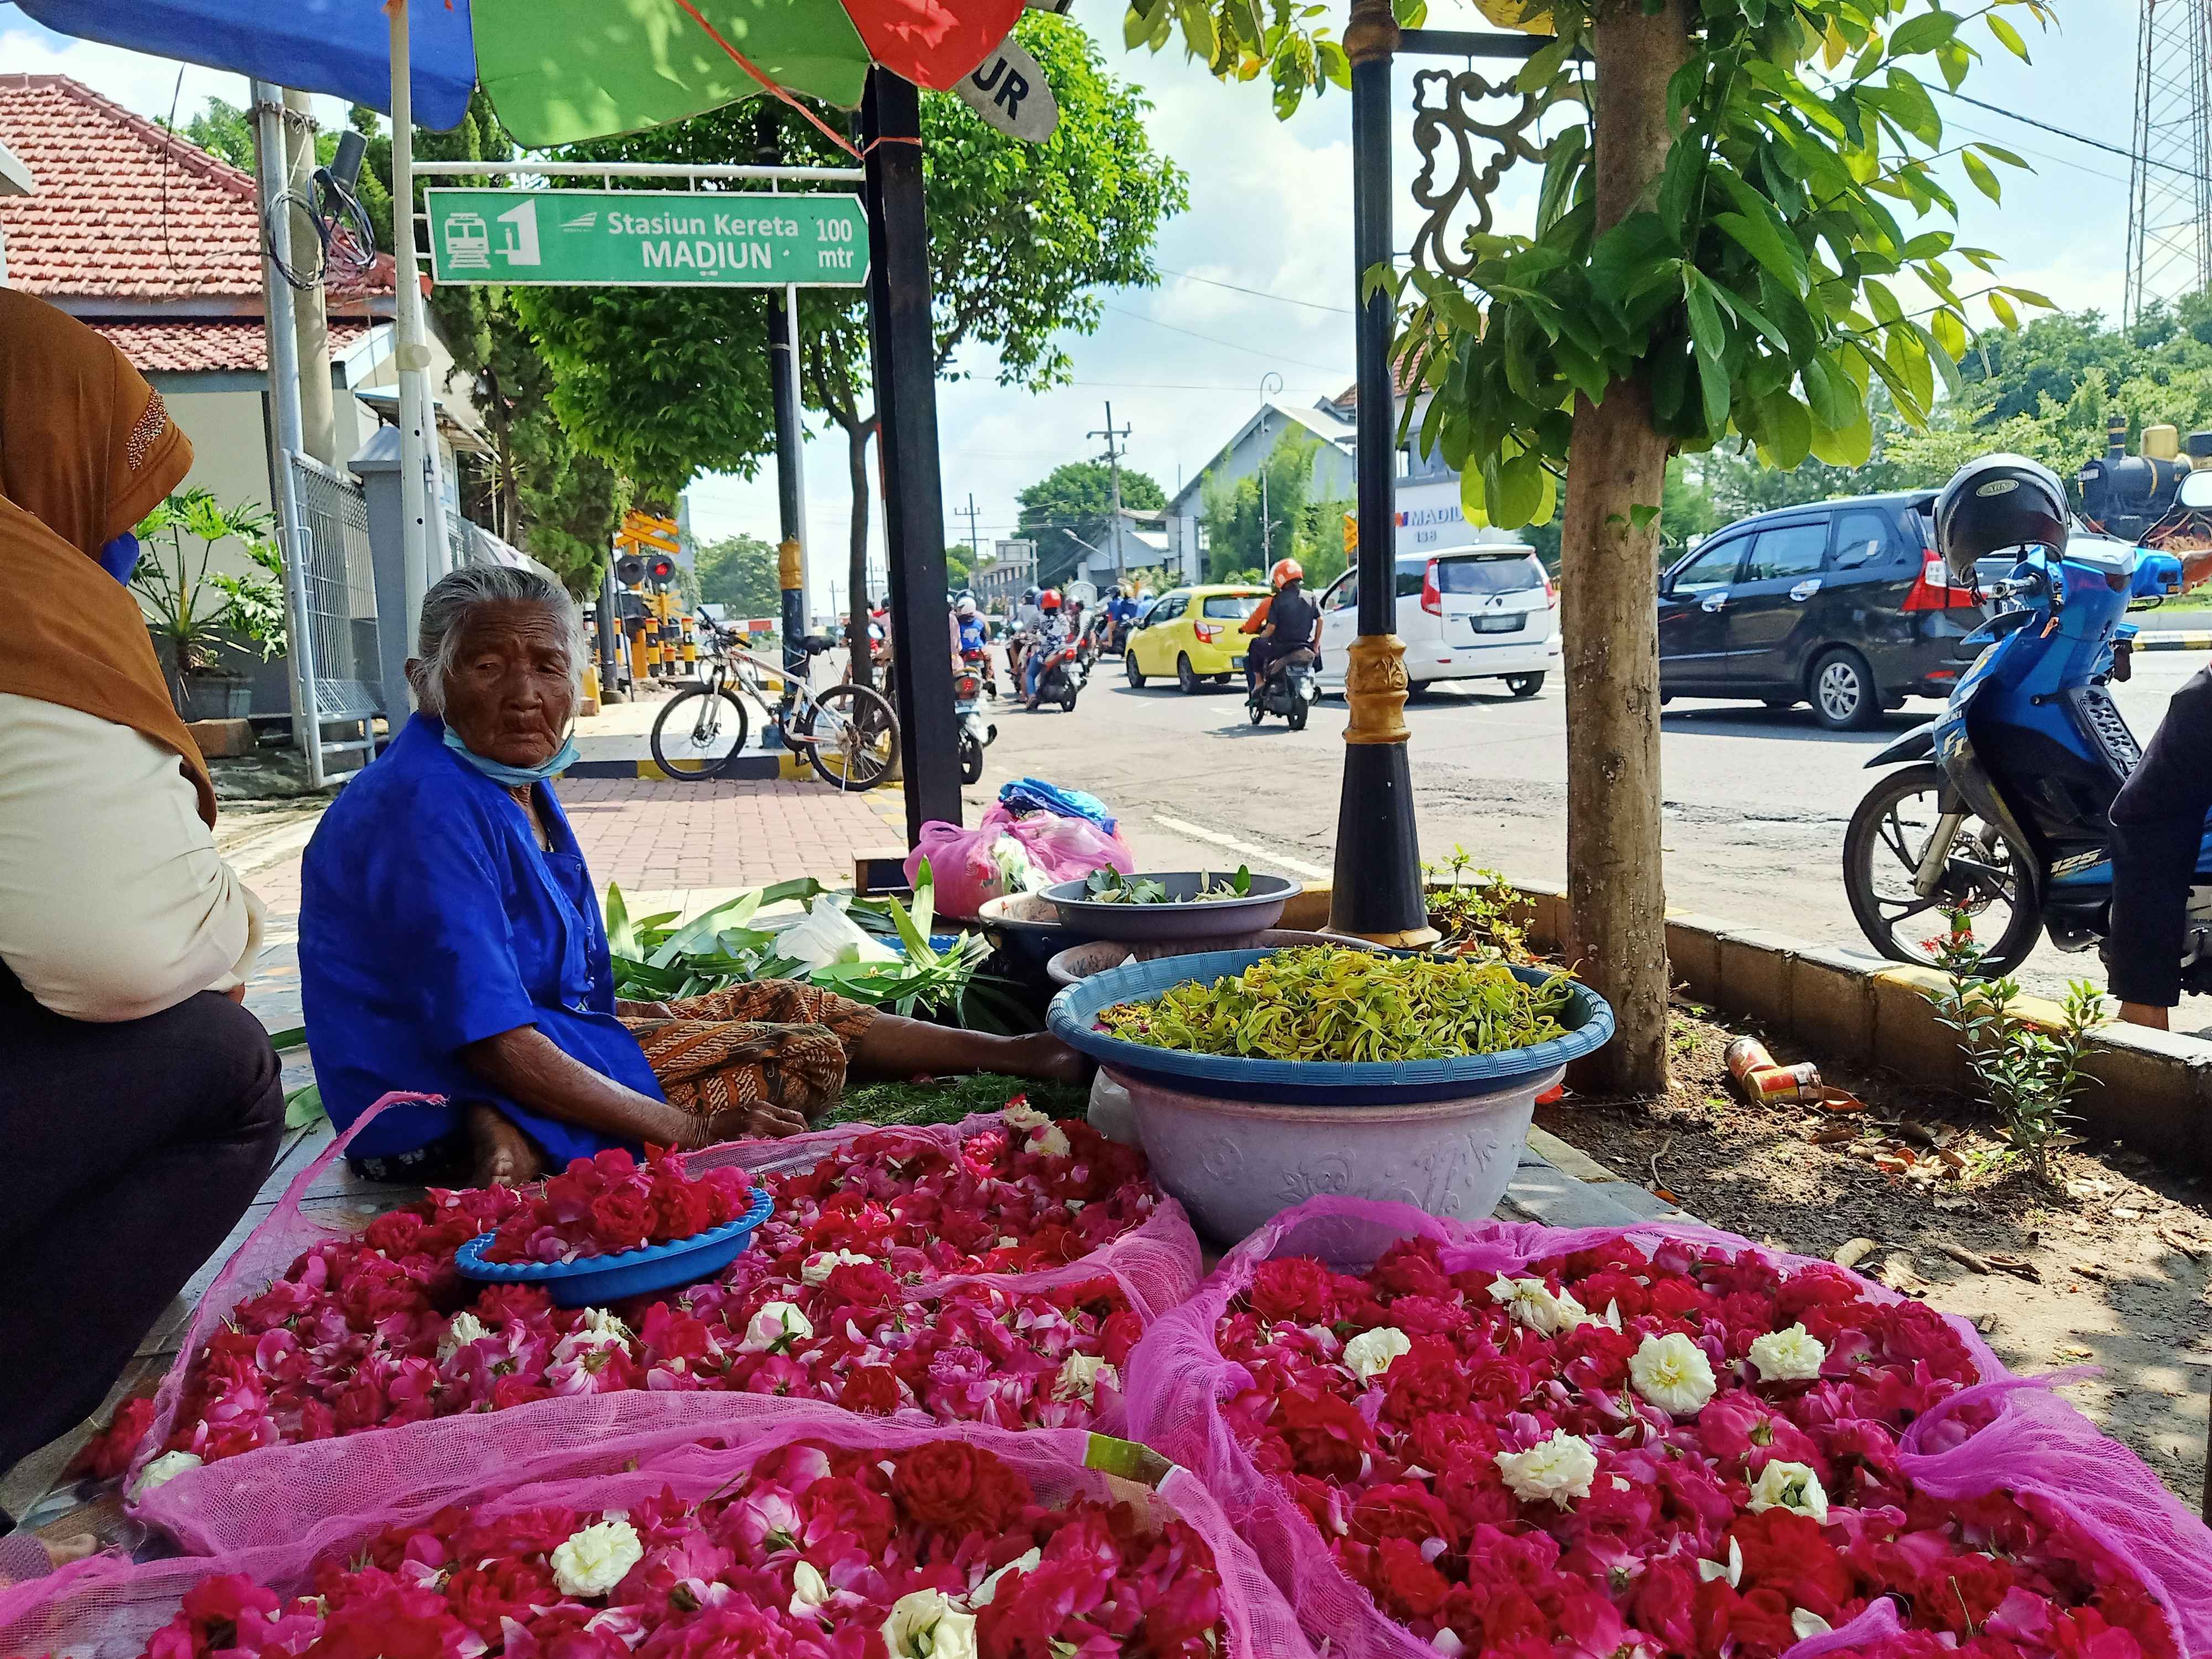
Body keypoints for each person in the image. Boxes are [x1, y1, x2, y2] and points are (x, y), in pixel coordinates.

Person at [300, 565, 1082, 1190]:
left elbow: (538, 994)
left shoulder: (500, 780)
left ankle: (1019, 1051)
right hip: (427, 1100)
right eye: (486, 665)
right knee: (803, 1055)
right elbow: (494, 1039)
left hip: (539, 1036)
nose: (525, 694)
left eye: (547, 665)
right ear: (425, 681)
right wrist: (694, 1134)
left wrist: (647, 1019)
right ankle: (498, 1131)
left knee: (786, 1001)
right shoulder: (423, 806)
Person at [0, 291, 282, 1554]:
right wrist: (226, 928)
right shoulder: (28, 605)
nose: (128, 541)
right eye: (121, 494)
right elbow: (130, 944)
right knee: (218, 1065)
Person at [1245, 557, 1321, 695]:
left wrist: (1261, 636)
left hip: (1281, 648)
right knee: (1317, 650)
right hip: (1305, 646)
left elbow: (1271, 629)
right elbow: (1320, 620)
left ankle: (1259, 682)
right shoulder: (1311, 597)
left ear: (1280, 579)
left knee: (1255, 644)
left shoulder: (1277, 600)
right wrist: (1316, 644)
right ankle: (1313, 678)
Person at [1024, 588, 1068, 708]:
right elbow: (1067, 632)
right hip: (1061, 650)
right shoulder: (1063, 617)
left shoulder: (1040, 617)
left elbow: (1032, 631)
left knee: (1030, 674)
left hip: (1045, 652)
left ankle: (1032, 696)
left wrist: (1033, 637)